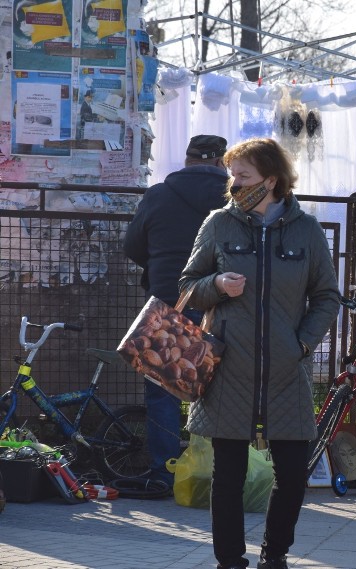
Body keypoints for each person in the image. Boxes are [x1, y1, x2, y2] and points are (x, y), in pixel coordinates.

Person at [178, 137, 340, 569]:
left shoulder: (306, 229)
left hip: (287, 370)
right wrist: (216, 286)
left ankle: (275, 555)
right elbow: (186, 289)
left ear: (271, 180)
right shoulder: (218, 224)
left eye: (243, 176)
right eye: (232, 176)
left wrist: (302, 342)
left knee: (291, 473)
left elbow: (327, 296)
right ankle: (230, 561)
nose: (234, 184)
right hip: (229, 366)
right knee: (226, 477)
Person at [123, 134, 230, 487]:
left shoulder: (158, 194)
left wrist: (159, 267)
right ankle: (222, 474)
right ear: (221, 162)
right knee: (222, 389)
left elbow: (133, 246)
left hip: (169, 300)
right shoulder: (236, 197)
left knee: (163, 388)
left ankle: (164, 473)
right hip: (222, 303)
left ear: (187, 160)